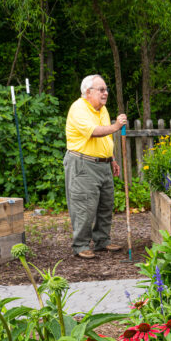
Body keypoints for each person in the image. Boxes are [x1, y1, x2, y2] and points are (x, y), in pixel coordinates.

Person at [64, 74, 127, 259]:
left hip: (103, 164)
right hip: (83, 163)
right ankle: (81, 244)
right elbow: (94, 132)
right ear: (88, 92)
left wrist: (112, 159)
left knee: (105, 204)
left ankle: (102, 241)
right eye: (101, 89)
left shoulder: (102, 109)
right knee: (84, 206)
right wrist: (117, 126)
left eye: (106, 89)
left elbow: (106, 138)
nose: (105, 93)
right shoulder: (79, 108)